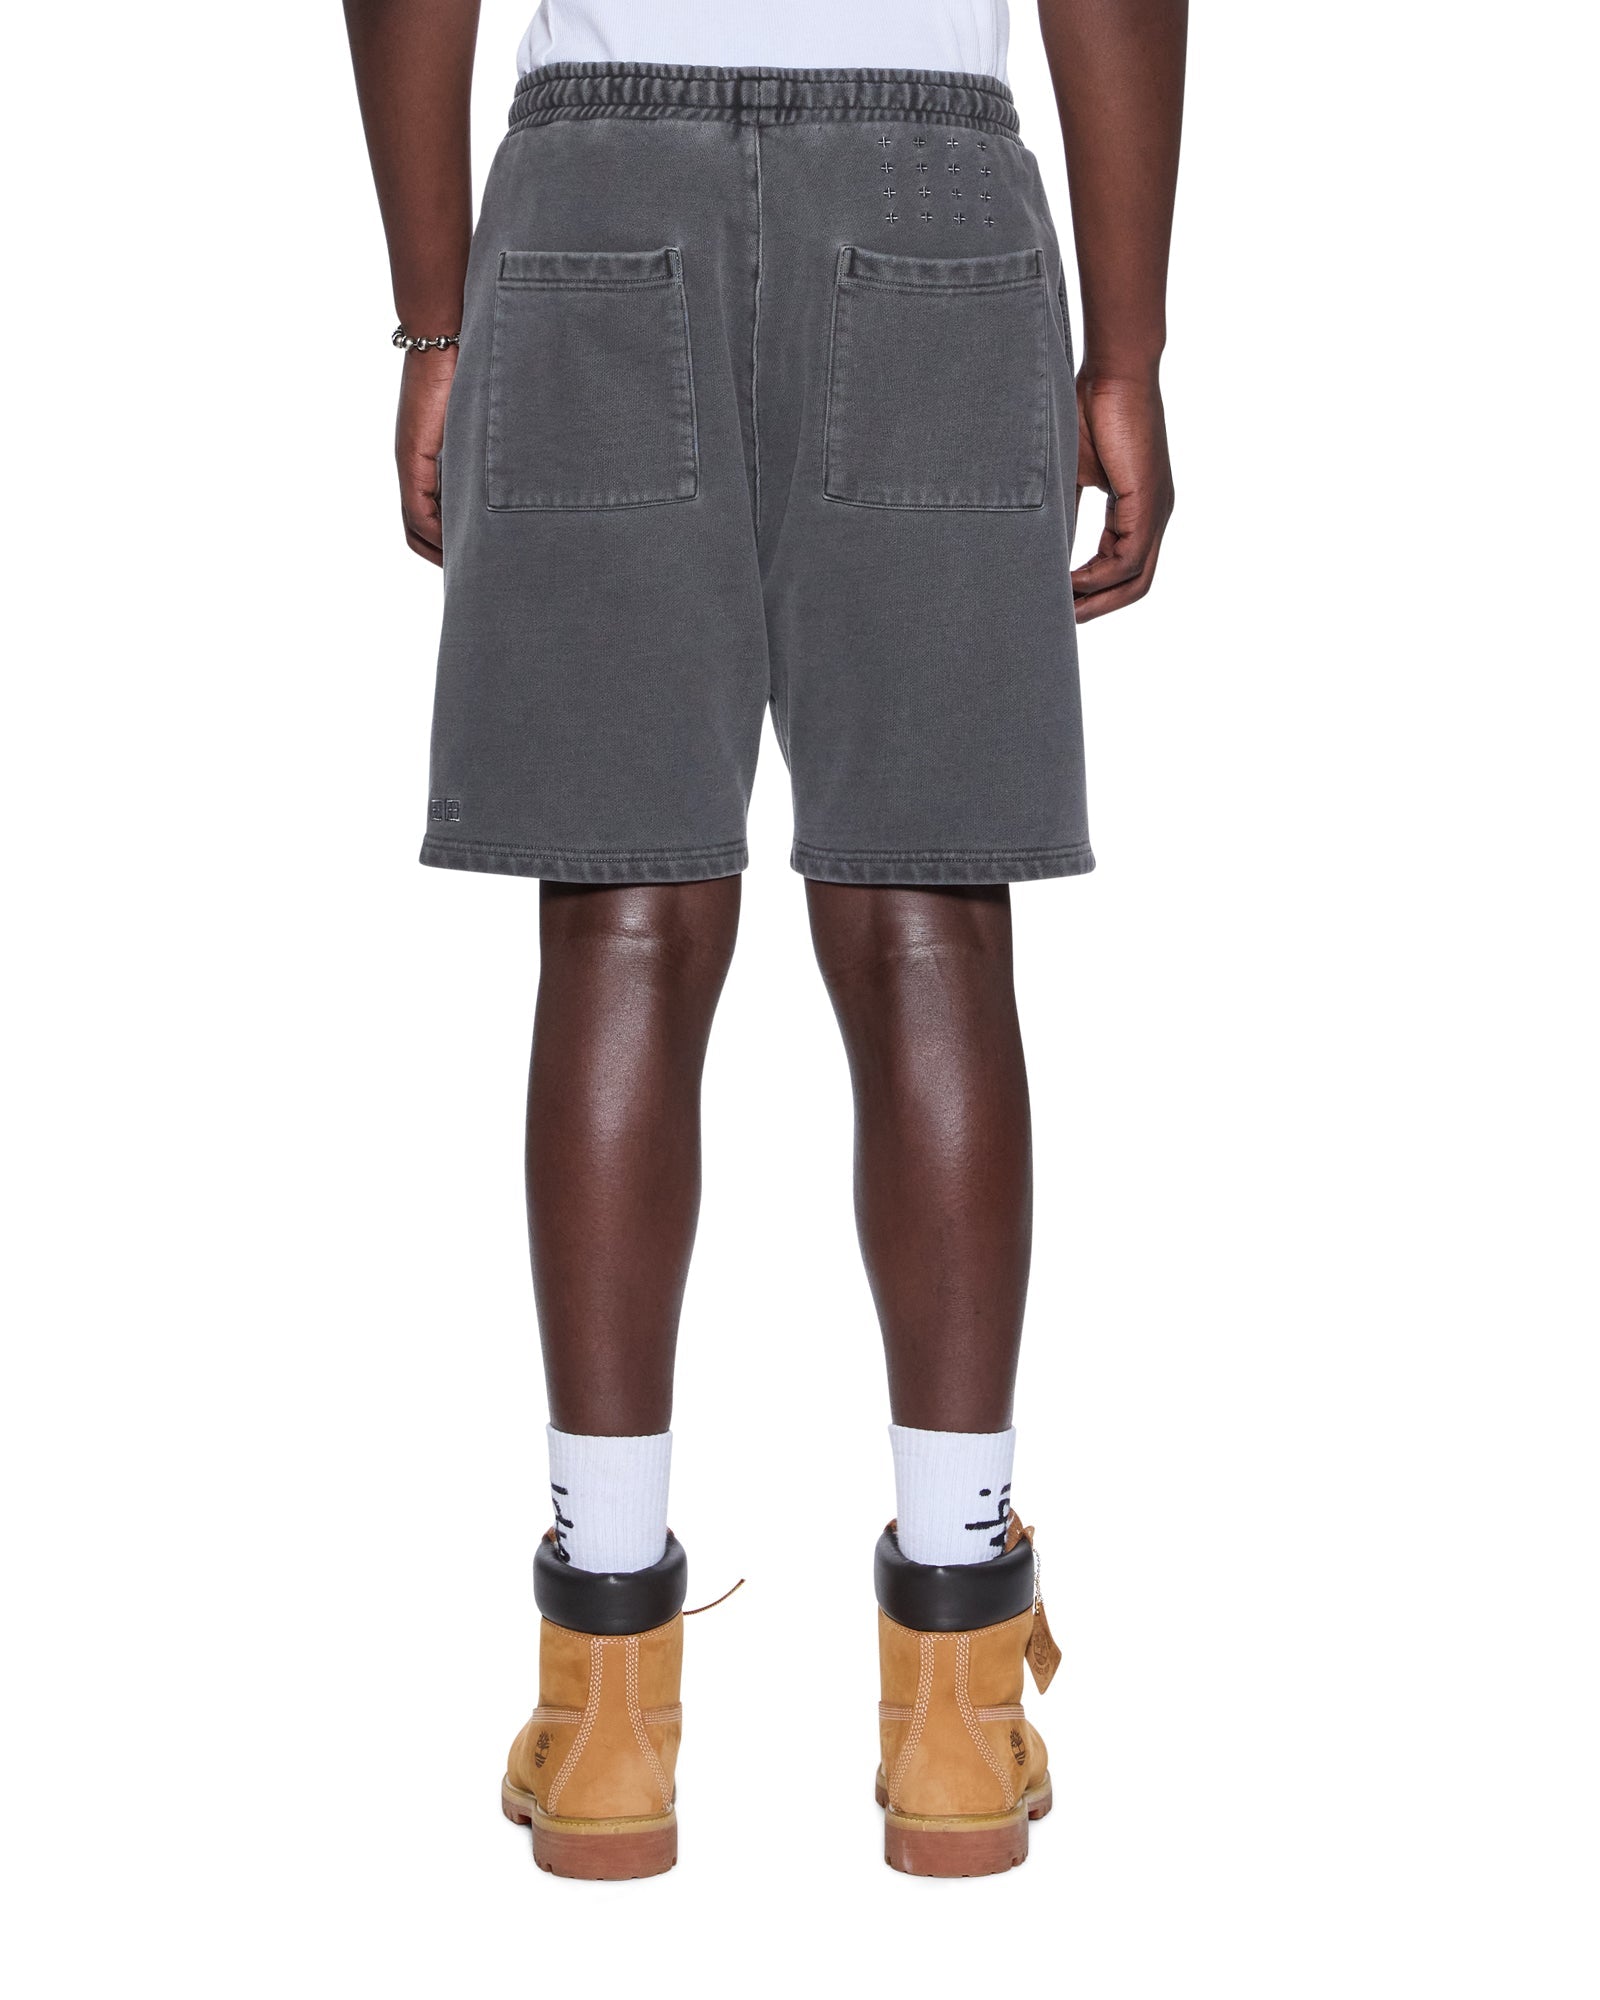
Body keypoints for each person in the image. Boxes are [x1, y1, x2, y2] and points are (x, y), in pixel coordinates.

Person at [344, 0, 1184, 1879]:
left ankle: (604, 1709)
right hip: (929, 195)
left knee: (625, 923)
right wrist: (1124, 350)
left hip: (592, 194)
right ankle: (957, 1703)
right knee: (928, 924)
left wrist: (434, 317)